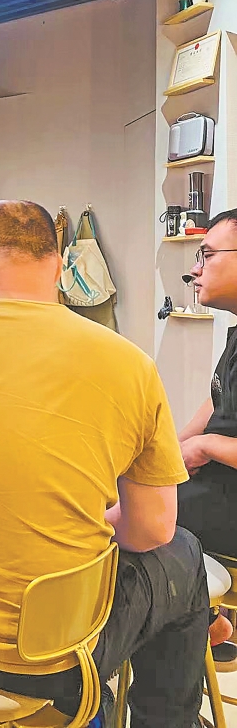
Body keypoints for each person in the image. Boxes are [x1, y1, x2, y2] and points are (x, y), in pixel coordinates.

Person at [0, 200, 208, 728]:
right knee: (183, 552)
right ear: (58, 268)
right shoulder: (128, 363)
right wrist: (91, 521)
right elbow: (152, 529)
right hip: (43, 660)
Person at [177, 209, 237, 661]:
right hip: (215, 489)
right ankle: (202, 620)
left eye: (207, 255)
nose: (195, 270)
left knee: (124, 519)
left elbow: (213, 435)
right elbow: (217, 401)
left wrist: (205, 446)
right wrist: (168, 449)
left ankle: (198, 623)